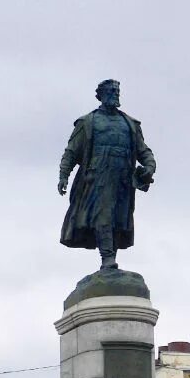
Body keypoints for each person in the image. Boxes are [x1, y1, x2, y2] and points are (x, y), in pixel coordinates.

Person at [58, 79, 157, 270]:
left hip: (123, 176)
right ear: (101, 95)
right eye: (111, 91)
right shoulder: (88, 122)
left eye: (117, 91)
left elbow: (143, 151)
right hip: (98, 176)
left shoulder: (129, 123)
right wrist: (64, 175)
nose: (115, 94)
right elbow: (71, 151)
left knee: (120, 218)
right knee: (103, 215)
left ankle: (111, 256)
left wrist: (150, 166)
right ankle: (107, 258)